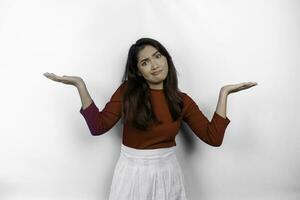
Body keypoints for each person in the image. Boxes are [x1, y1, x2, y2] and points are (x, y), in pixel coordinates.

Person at [44, 37, 257, 200]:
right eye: (145, 62)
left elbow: (213, 137)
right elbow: (98, 126)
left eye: (157, 56)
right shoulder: (127, 91)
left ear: (166, 58)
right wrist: (80, 85)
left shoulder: (182, 101)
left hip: (167, 173)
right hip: (131, 172)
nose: (154, 65)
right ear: (138, 71)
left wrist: (224, 94)